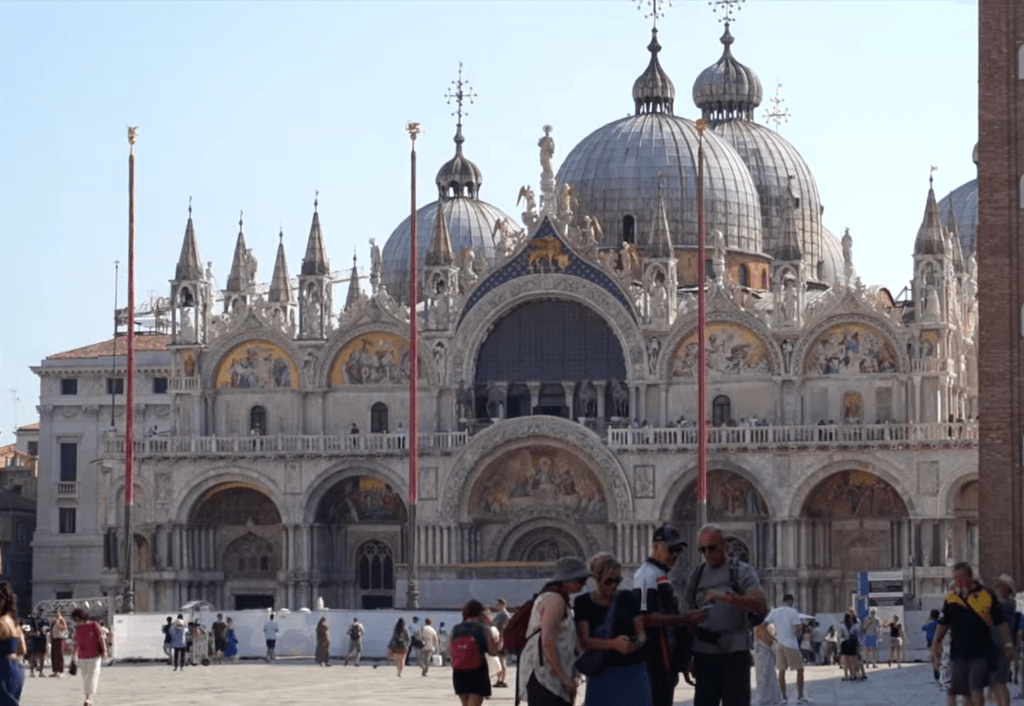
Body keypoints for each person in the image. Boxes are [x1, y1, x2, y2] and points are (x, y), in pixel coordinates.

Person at [685, 523, 768, 706]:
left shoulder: (741, 571)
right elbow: (689, 616)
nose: (707, 553)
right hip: (704, 654)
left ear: (724, 545)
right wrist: (687, 657)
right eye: (702, 550)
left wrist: (728, 599)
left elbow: (761, 605)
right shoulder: (696, 575)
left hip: (735, 653)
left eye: (712, 548)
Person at [634, 524, 702, 706]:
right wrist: (683, 619)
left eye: (678, 551)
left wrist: (683, 659)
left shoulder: (661, 575)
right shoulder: (646, 575)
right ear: (656, 547)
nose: (675, 555)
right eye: (671, 550)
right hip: (653, 662)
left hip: (666, 663)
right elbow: (644, 617)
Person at [930, 562, 1015, 706]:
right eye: (955, 578)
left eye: (960, 577)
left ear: (969, 576)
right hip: (958, 655)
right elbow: (943, 625)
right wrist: (935, 647)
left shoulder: (986, 595)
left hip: (981, 653)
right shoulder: (951, 598)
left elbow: (1000, 623)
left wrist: (1008, 644)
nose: (958, 581)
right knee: (965, 695)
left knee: (976, 692)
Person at [573, 552, 650, 706]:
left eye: (618, 580)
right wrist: (614, 644)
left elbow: (641, 634)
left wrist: (635, 643)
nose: (614, 585)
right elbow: (584, 641)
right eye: (609, 581)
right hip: (603, 673)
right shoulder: (583, 602)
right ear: (596, 578)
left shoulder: (628, 598)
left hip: (634, 670)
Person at [518, 556, 591, 706]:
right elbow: (548, 642)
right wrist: (564, 678)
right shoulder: (555, 600)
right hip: (547, 678)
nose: (583, 584)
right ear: (567, 580)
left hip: (548, 677)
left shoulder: (556, 598)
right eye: (580, 580)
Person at [452, 600, 501, 706]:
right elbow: (493, 652)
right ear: (480, 613)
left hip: (459, 672)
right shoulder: (483, 629)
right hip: (477, 672)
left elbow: (450, 651)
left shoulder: (455, 629)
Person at [764, 594, 809, 704]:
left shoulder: (775, 611)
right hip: (791, 644)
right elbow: (797, 629)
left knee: (781, 671)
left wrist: (771, 637)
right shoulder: (793, 611)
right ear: (792, 601)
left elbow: (764, 624)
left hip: (779, 644)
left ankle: (783, 697)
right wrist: (799, 631)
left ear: (783, 601)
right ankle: (800, 695)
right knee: (800, 670)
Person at [991, 575, 1018, 706]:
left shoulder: (1005, 604)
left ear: (1005, 589)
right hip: (996, 647)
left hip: (1002, 647)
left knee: (1000, 682)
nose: (995, 588)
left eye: (998, 586)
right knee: (996, 683)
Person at [72, 607, 105, 706]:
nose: (77, 620)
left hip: (94, 655)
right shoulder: (77, 628)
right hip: (83, 656)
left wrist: (104, 649)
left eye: (78, 618)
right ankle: (88, 696)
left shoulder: (94, 624)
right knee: (87, 676)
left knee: (91, 676)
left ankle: (88, 697)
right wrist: (74, 655)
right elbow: (76, 642)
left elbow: (100, 637)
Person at [0, 583, 25, 705]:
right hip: (16, 670)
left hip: (2, 670)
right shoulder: (15, 622)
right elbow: (23, 650)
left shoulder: (0, 623)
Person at [752, 623, 784, 706]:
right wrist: (774, 639)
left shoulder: (756, 627)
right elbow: (768, 641)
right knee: (766, 677)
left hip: (761, 654)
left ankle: (767, 697)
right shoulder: (763, 627)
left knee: (764, 677)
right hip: (764, 654)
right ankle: (766, 698)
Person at [491, 599, 511, 688]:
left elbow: (506, 627)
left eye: (498, 605)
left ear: (502, 605)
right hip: (497, 639)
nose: (496, 607)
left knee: (502, 660)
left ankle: (503, 680)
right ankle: (499, 679)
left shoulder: (505, 615)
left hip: (502, 640)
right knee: (498, 661)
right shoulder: (500, 615)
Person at [26, 607, 48, 678]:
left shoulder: (45, 620)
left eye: (41, 611)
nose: (40, 613)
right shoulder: (32, 619)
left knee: (42, 656)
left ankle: (41, 672)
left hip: (42, 638)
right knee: (33, 656)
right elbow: (27, 628)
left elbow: (47, 628)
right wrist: (33, 632)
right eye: (39, 611)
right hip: (35, 639)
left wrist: (44, 631)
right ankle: (32, 672)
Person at [922, 609, 941, 681]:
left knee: (934, 659)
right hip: (940, 642)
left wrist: (928, 619)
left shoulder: (930, 623)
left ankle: (936, 675)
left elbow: (923, 628)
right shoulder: (940, 623)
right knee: (940, 657)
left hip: (931, 642)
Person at [50, 609, 69, 677]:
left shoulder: (61, 619)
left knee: (59, 655)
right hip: (54, 639)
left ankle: (60, 671)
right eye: (54, 613)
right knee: (54, 655)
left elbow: (64, 628)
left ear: (60, 613)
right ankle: (55, 671)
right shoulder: (54, 620)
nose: (55, 614)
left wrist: (58, 624)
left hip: (59, 638)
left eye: (56, 612)